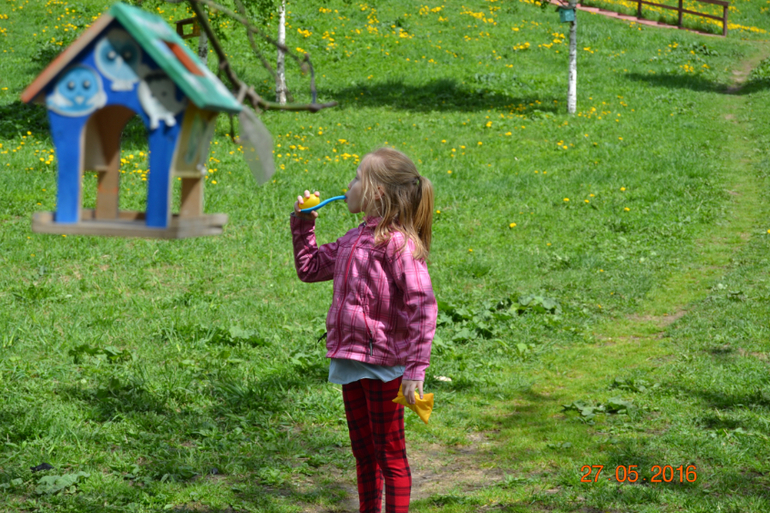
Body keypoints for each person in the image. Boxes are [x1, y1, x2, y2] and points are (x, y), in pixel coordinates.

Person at [290, 147, 437, 513]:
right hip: (351, 359)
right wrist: (304, 224)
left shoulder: (399, 245)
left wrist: (415, 370)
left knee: (389, 455)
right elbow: (309, 268)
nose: (349, 184)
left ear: (376, 193)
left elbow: (423, 305)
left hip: (384, 365)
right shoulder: (351, 239)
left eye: (357, 177)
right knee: (364, 453)